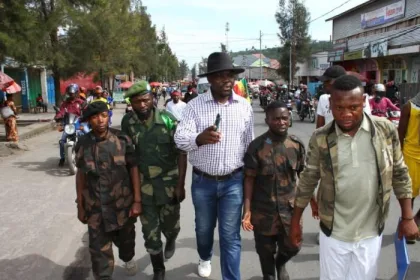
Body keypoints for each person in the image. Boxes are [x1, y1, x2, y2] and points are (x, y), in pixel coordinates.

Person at [290, 75, 419, 280]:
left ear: (364, 102)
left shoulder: (385, 130)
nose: (346, 114)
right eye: (339, 108)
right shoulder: (321, 137)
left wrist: (408, 217)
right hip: (333, 233)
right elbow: (308, 179)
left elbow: (400, 173)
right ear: (330, 105)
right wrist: (295, 221)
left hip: (370, 232)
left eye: (353, 107)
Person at [174, 52, 254, 280]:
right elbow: (179, 139)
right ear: (210, 80)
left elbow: (249, 146)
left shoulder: (244, 107)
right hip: (203, 182)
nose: (227, 80)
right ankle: (204, 256)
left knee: (230, 236)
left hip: (233, 182)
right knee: (203, 230)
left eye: (230, 75)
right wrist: (198, 138)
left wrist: (252, 182)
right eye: (220, 76)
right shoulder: (194, 106)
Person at [122, 81, 187, 280]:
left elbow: (181, 153)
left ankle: (171, 239)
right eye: (136, 102)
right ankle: (159, 270)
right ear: (131, 103)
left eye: (145, 100)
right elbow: (127, 156)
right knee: (150, 233)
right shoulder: (128, 122)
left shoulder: (168, 120)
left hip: (168, 186)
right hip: (143, 187)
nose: (141, 105)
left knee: (171, 226)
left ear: (152, 99)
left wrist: (180, 185)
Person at [75, 101, 140, 279]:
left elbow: (133, 169)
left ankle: (128, 258)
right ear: (89, 121)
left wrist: (137, 201)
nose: (100, 120)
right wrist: (80, 205)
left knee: (126, 243)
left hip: (122, 206)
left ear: (108, 117)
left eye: (103, 116)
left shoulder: (122, 139)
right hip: (96, 208)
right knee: (98, 253)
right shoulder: (82, 144)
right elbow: (81, 175)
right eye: (95, 117)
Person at [242, 101, 305, 280]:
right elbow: (249, 179)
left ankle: (281, 263)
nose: (281, 122)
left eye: (284, 118)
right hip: (264, 211)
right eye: (276, 119)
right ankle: (269, 274)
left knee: (294, 246)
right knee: (265, 252)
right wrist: (247, 211)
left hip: (290, 211)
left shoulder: (296, 145)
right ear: (267, 120)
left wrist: (314, 202)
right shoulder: (256, 147)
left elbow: (304, 178)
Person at [398, 91, 420, 244]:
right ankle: (408, 225)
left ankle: (416, 221)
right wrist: (397, 158)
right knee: (409, 195)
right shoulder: (409, 107)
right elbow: (400, 134)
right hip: (411, 155)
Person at [54, 84, 84, 167]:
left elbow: (86, 109)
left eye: (73, 93)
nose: (71, 95)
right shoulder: (65, 103)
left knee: (87, 134)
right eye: (70, 93)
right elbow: (61, 111)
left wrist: (86, 113)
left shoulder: (80, 102)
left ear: (76, 93)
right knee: (62, 141)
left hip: (78, 122)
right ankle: (62, 158)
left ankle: (89, 155)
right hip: (68, 124)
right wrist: (58, 116)